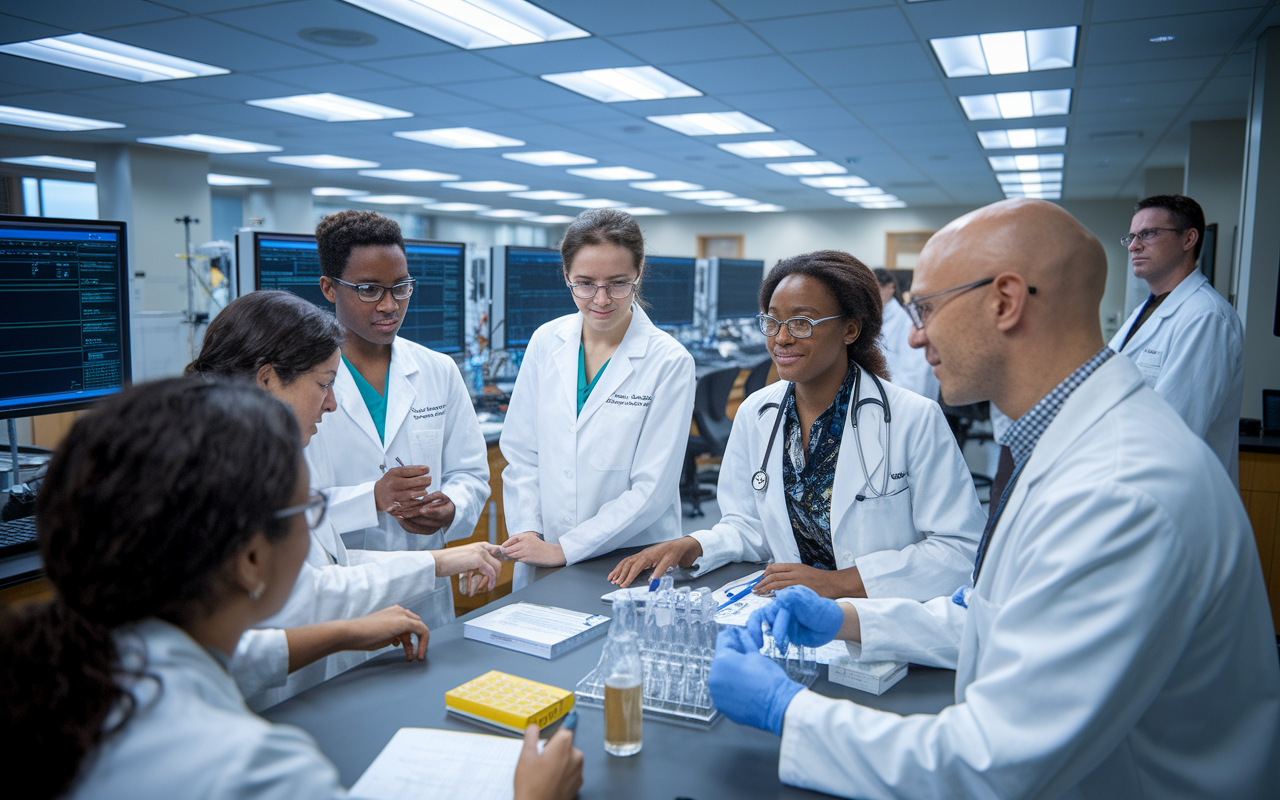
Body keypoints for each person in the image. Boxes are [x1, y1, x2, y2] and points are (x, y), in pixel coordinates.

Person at [708, 199, 1280, 799]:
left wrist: (786, 710)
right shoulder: (1064, 445)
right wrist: (847, 618)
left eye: (926, 308)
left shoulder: (1117, 490)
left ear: (1005, 301)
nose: (914, 333)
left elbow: (991, 763)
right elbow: (1000, 619)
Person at [0, 378, 583, 800]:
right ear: (251, 559)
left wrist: (342, 633)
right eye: (313, 506)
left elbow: (232, 657)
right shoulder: (259, 772)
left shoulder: (71, 666)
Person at [187, 290, 501, 709]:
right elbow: (308, 594)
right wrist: (352, 629)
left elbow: (330, 561)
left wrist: (441, 561)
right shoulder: (219, 477)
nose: (332, 403)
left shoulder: (257, 459)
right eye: (324, 385)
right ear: (266, 380)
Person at [610, 251, 983, 602]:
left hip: (880, 619)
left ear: (850, 329)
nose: (781, 337)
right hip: (790, 612)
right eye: (772, 321)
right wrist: (695, 545)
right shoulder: (757, 412)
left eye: (801, 323)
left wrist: (842, 582)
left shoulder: (912, 418)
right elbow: (749, 527)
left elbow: (958, 550)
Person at [305, 210, 492, 629]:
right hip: (342, 602)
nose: (390, 305)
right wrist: (372, 497)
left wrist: (452, 508)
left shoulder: (437, 370)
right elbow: (293, 514)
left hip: (426, 594)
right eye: (369, 290)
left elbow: (471, 474)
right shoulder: (303, 383)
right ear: (329, 289)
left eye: (401, 287)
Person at [499, 209, 696, 589]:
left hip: (630, 557)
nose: (601, 299)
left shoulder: (669, 362)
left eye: (618, 283)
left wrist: (567, 548)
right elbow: (522, 454)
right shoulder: (546, 341)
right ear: (566, 276)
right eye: (585, 284)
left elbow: (651, 490)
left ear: (639, 272)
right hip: (542, 549)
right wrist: (530, 533)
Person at [1110, 194, 1244, 484]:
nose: (1134, 245)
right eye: (1131, 236)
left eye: (1148, 234)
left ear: (1189, 239)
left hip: (1170, 492)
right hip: (1129, 480)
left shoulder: (1206, 317)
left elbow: (1170, 429)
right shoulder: (1147, 311)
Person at [873, 267, 939, 401]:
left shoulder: (906, 320)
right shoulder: (876, 320)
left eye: (876, 288)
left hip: (898, 398)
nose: (872, 295)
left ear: (890, 287)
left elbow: (915, 375)